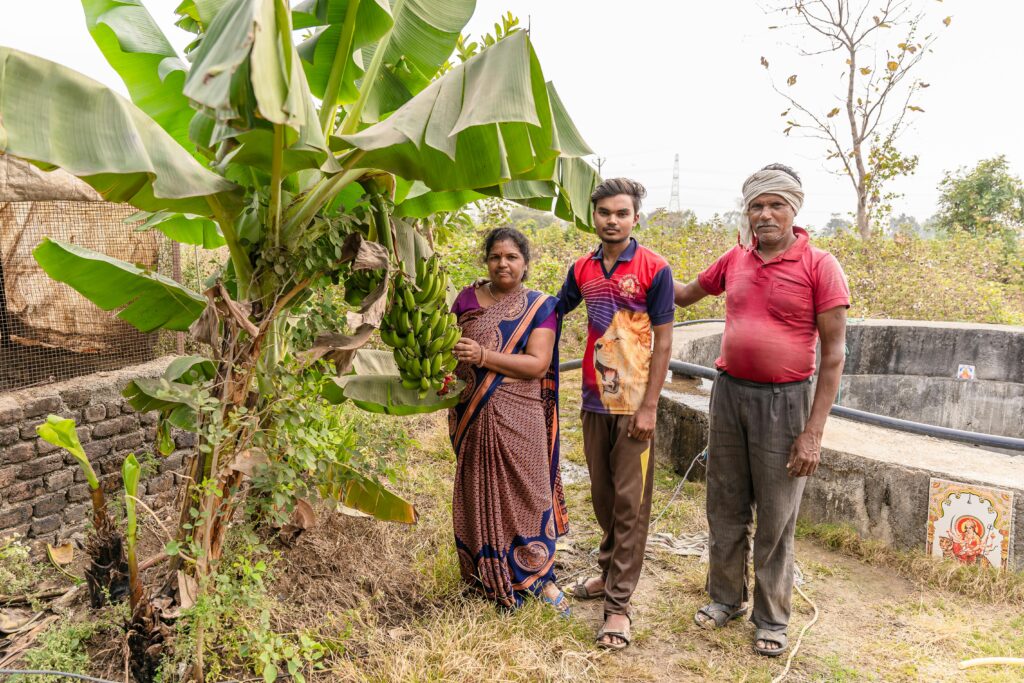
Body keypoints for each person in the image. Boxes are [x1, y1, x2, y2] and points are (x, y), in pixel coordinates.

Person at [673, 163, 850, 657]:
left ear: (794, 208)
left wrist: (812, 433)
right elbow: (686, 294)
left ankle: (771, 618)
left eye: (775, 204)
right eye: (756, 205)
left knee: (776, 515)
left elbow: (834, 355)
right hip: (730, 394)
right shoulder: (735, 259)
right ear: (746, 212)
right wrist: (637, 268)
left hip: (785, 402)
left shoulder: (820, 264)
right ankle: (725, 599)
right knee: (724, 505)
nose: (765, 214)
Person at [557, 178, 675, 650]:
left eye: (621, 213)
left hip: (634, 407)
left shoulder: (654, 268)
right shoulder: (582, 267)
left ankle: (618, 606)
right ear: (595, 217)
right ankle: (607, 573)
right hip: (592, 400)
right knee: (604, 498)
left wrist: (649, 405)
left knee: (631, 504)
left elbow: (665, 340)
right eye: (604, 212)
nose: (612, 220)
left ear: (635, 217)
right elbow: (555, 309)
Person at [448, 227, 570, 614]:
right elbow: (444, 349)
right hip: (470, 410)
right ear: (486, 261)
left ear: (526, 264)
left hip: (520, 412)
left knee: (528, 492)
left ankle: (539, 578)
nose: (503, 263)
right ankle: (484, 577)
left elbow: (536, 364)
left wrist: (483, 356)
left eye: (512, 257)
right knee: (476, 487)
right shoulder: (465, 298)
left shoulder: (541, 306)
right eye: (496, 256)